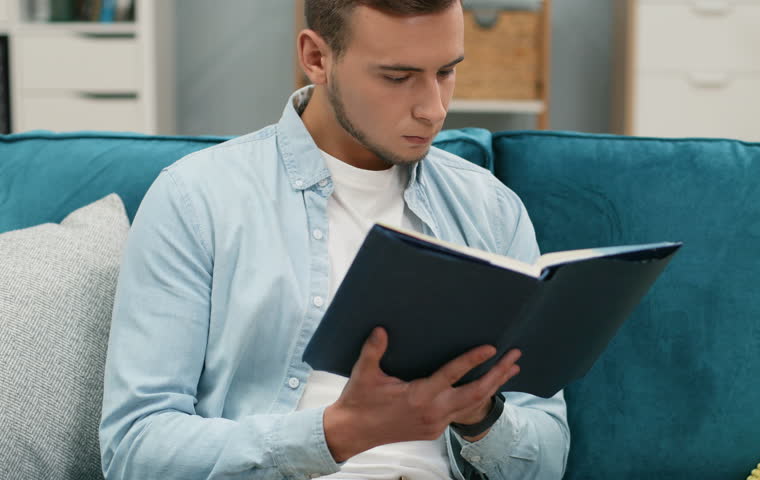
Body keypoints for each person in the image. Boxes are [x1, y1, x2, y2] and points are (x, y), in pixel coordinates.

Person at [98, 1, 570, 478]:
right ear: (317, 58)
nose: (434, 108)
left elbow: (547, 456)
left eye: (446, 71)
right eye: (397, 77)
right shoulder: (197, 199)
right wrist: (338, 433)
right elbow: (134, 450)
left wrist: (479, 415)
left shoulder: (490, 210)